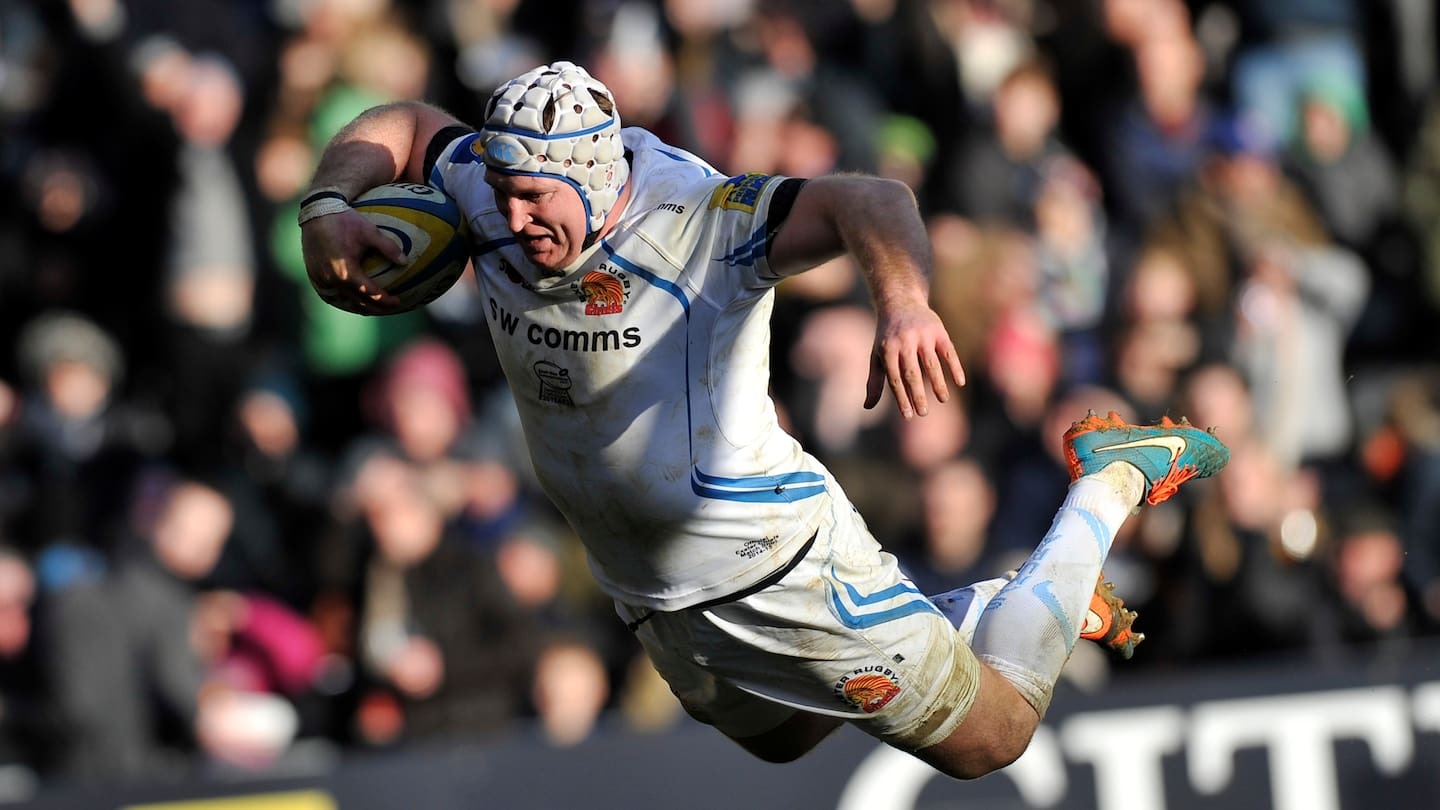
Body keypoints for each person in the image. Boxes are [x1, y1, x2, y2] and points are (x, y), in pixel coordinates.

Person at [298, 61, 1229, 778]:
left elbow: (872, 198)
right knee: (783, 739)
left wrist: (904, 305)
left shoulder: (700, 218)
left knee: (991, 739)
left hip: (772, 562)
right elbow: (407, 123)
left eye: (532, 196)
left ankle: (1111, 479)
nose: (508, 213)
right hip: (648, 581)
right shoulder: (490, 184)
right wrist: (328, 206)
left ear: (596, 173)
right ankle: (1010, 606)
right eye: (500, 188)